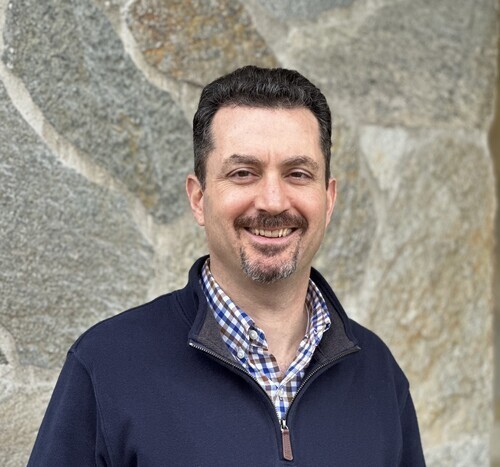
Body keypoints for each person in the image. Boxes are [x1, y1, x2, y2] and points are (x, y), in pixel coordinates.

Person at [28, 66, 425, 466]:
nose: (273, 201)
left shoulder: (379, 375)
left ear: (329, 199)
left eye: (298, 174)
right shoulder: (107, 365)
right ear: (198, 199)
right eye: (243, 173)